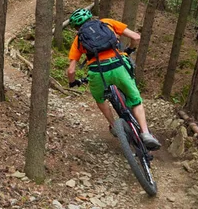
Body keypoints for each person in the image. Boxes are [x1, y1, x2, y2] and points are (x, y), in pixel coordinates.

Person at [65, 8, 161, 150]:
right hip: (119, 65)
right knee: (135, 100)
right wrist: (130, 50)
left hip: (98, 72)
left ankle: (113, 125)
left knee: (100, 100)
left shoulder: (78, 39)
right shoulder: (107, 23)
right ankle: (146, 133)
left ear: (76, 27)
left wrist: (73, 82)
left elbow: (71, 70)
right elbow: (136, 37)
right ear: (91, 18)